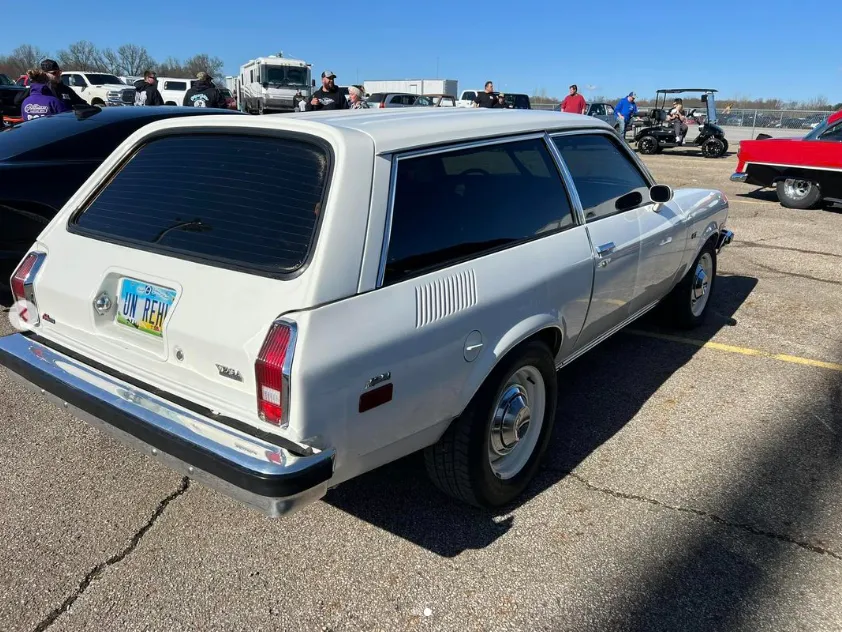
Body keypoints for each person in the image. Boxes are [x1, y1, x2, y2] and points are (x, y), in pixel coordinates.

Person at [14, 59, 86, 109]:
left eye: (59, 72)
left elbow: (82, 104)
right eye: (54, 73)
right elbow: (18, 101)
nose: (58, 74)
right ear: (45, 74)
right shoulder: (37, 90)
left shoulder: (65, 89)